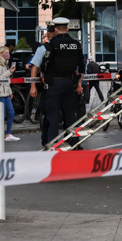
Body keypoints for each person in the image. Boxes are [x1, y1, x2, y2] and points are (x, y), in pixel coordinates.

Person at [41, 17, 85, 148]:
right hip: (69, 83)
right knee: (70, 115)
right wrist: (79, 84)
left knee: (53, 115)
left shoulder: (51, 45)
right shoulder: (76, 44)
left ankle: (53, 144)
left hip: (54, 84)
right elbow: (81, 66)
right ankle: (74, 143)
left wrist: (44, 75)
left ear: (55, 29)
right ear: (67, 28)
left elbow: (45, 65)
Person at [28, 23, 57, 146]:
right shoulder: (43, 48)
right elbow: (35, 67)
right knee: (49, 115)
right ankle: (48, 142)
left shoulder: (66, 46)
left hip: (62, 86)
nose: (48, 33)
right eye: (48, 31)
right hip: (49, 86)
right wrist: (33, 86)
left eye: (51, 31)